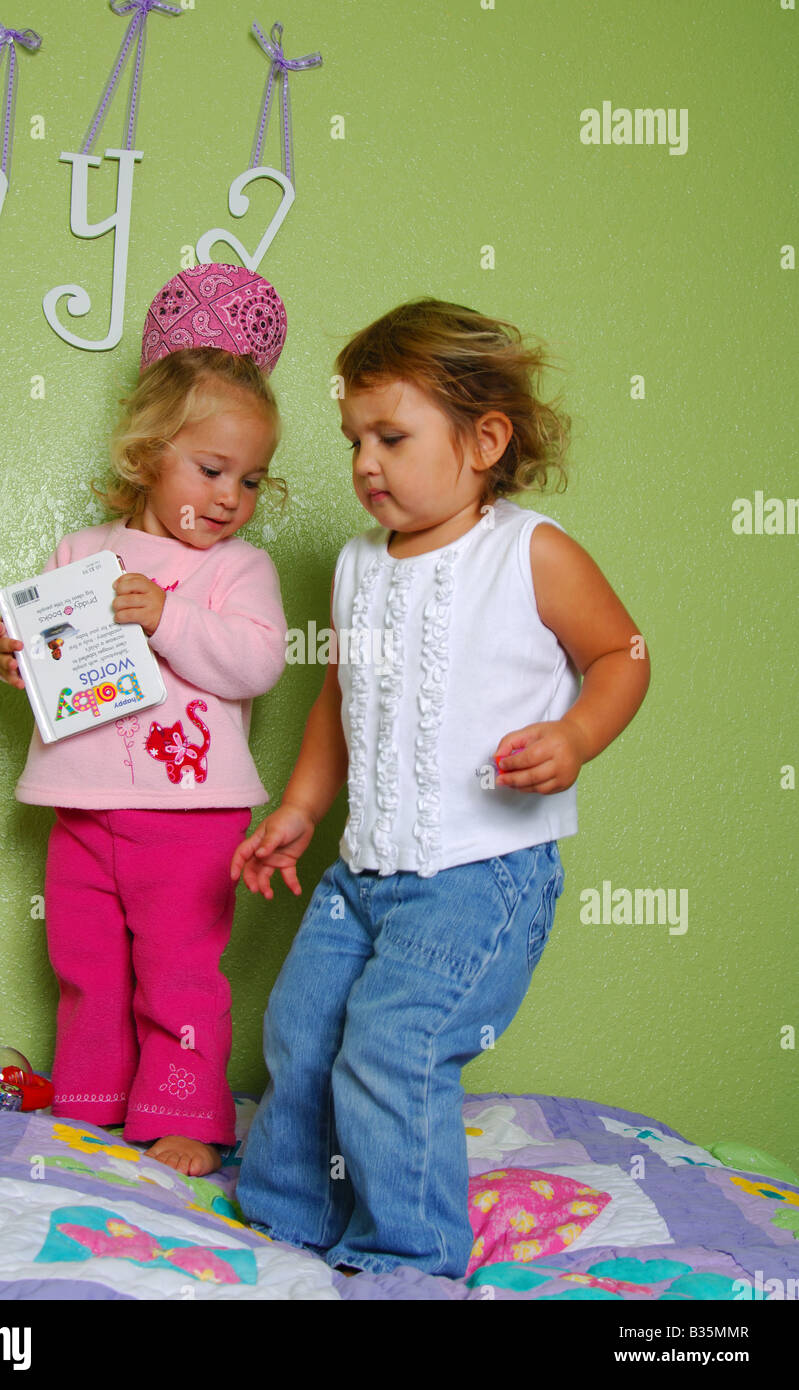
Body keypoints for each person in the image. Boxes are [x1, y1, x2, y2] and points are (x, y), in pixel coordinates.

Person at [230, 297, 650, 1277]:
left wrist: (576, 734)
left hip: (478, 875)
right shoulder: (356, 564)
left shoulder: (528, 551)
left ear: (483, 439)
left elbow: (620, 653)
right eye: (353, 440)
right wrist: (297, 806)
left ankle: (405, 1258)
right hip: (362, 872)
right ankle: (285, 1219)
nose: (364, 462)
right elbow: (341, 694)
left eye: (391, 435)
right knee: (300, 1026)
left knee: (394, 1045)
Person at [0, 264, 289, 1177]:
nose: (230, 496)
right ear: (146, 452)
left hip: (192, 814)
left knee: (179, 970)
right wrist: (12, 657)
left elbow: (258, 660)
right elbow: (56, 664)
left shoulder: (239, 570)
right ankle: (88, 1100)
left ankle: (184, 1111)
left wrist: (168, 617)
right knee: (84, 961)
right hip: (80, 804)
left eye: (251, 478)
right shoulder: (82, 553)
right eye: (210, 469)